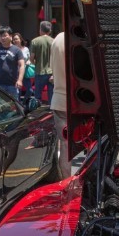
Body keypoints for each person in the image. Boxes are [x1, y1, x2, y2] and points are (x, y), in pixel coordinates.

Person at [50, 31, 71, 179]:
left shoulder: (58, 39)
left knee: (65, 145)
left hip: (60, 100)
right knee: (92, 146)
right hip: (84, 101)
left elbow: (52, 69)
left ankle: (67, 182)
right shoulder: (85, 35)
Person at [0, 26, 25, 101]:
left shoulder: (17, 50)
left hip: (12, 85)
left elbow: (22, 65)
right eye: (0, 36)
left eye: (4, 36)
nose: (2, 38)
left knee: (13, 105)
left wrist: (20, 80)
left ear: (10, 36)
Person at [29, 21, 53, 104]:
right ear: (50, 31)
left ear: (40, 30)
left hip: (40, 71)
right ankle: (51, 110)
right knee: (52, 95)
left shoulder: (35, 41)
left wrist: (34, 63)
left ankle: (38, 110)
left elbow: (32, 57)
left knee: (38, 96)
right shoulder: (53, 41)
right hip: (52, 72)